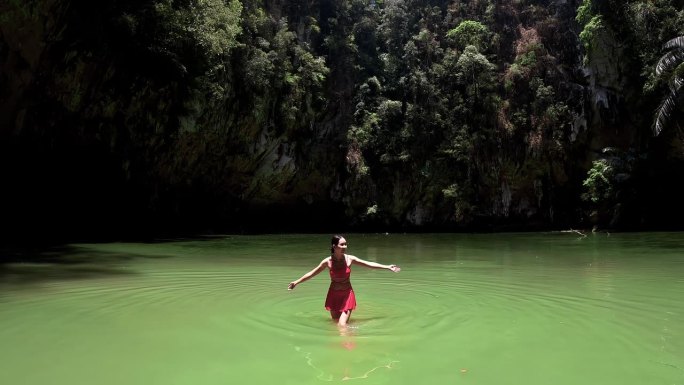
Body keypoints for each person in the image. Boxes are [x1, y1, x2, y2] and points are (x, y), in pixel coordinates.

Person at [287, 235, 401, 326]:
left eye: (346, 244)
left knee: (341, 325)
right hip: (333, 295)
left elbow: (369, 264)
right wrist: (297, 282)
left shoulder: (350, 259)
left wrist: (387, 267)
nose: (345, 246)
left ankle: (348, 346)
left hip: (347, 295)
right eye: (342, 244)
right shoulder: (327, 262)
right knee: (335, 323)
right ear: (334, 246)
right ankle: (343, 339)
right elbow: (312, 273)